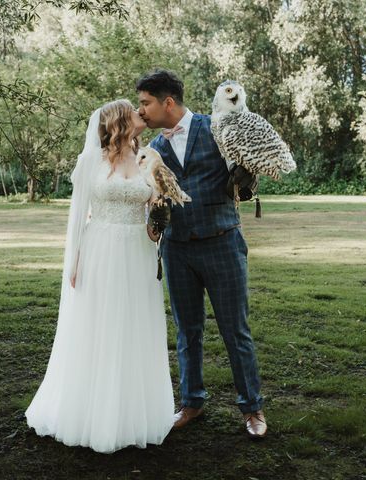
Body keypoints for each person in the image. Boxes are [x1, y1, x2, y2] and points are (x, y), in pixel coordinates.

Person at [25, 99, 175, 454]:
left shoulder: (148, 159)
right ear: (119, 122)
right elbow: (78, 216)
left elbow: (154, 220)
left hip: (137, 251)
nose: (141, 114)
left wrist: (159, 213)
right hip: (100, 250)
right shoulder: (89, 161)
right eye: (133, 112)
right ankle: (92, 412)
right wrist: (74, 261)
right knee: (99, 326)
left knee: (133, 326)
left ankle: (130, 413)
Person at [137, 69, 268, 439]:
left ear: (167, 102)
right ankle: (191, 402)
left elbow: (246, 176)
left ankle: (252, 408)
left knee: (235, 331)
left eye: (146, 103)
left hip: (222, 243)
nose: (141, 110)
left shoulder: (217, 127)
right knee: (186, 331)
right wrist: (155, 219)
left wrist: (246, 177)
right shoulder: (154, 148)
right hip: (177, 250)